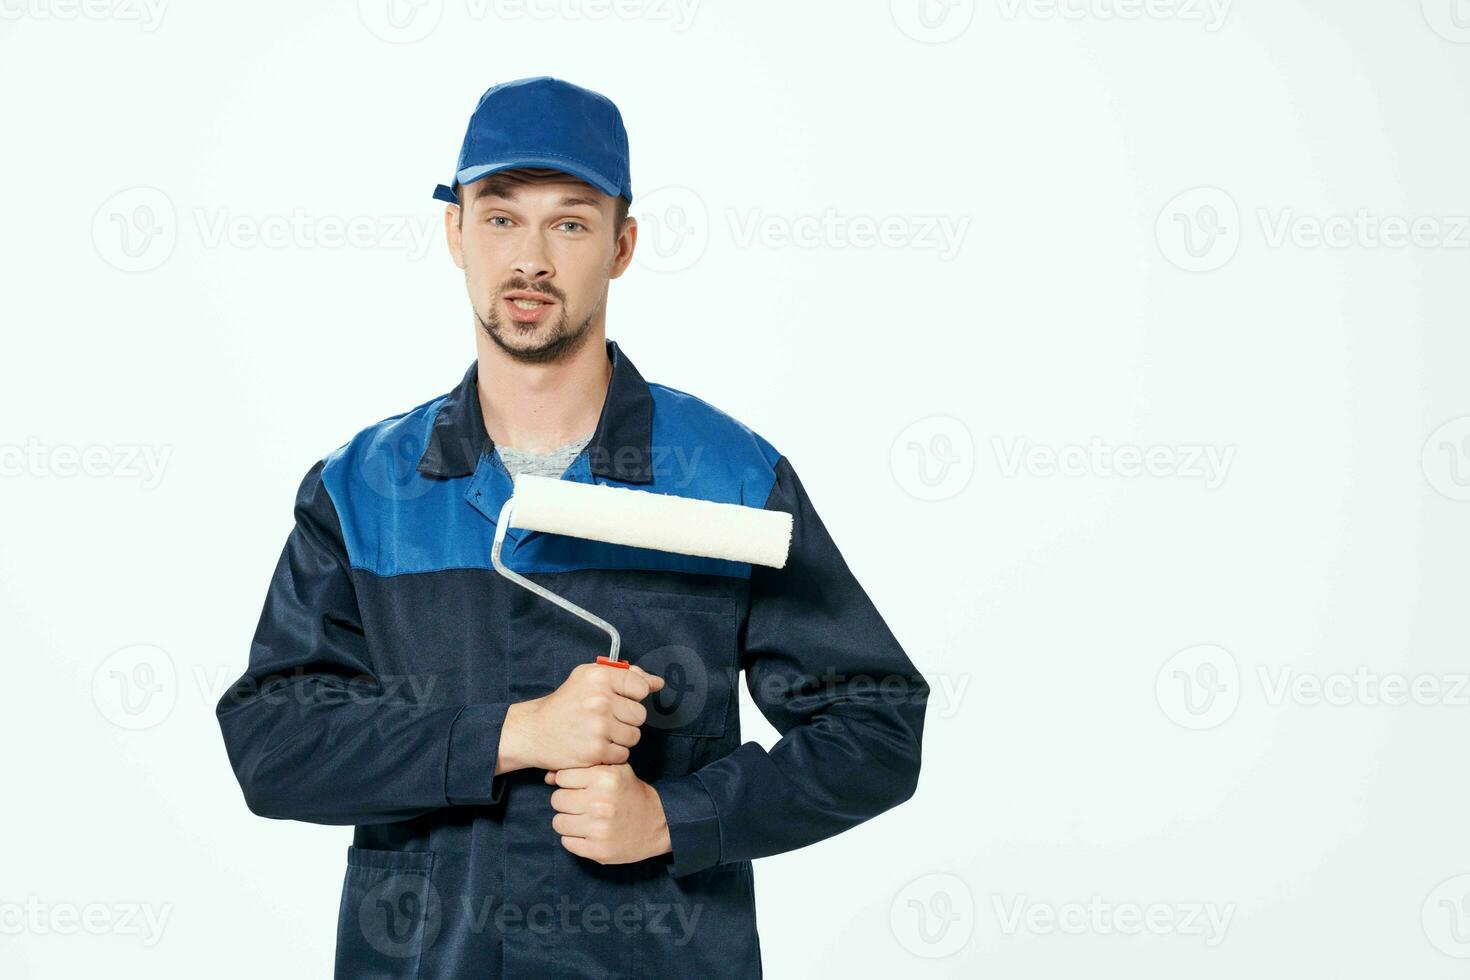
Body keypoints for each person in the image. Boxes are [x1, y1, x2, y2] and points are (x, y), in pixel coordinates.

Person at [216, 75, 929, 980]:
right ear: (455, 233)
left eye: (571, 222)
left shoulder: (727, 479)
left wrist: (676, 819)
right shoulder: (363, 490)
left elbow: (876, 725)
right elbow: (273, 743)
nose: (531, 259)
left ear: (622, 246)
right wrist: (515, 733)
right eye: (502, 217)